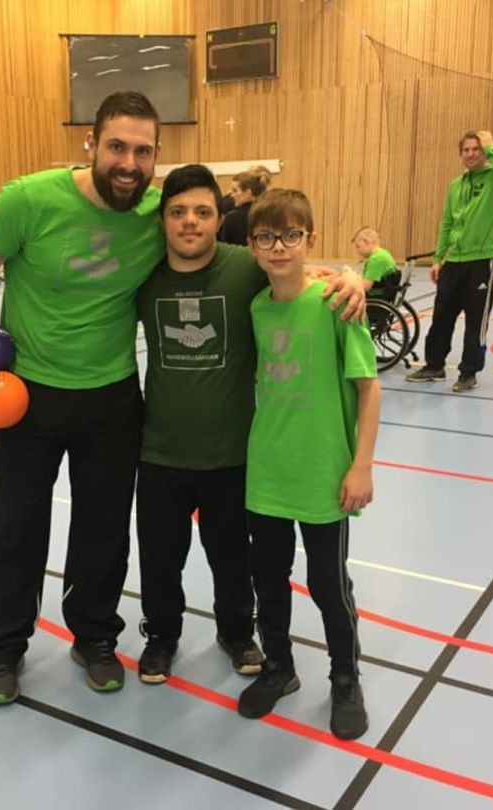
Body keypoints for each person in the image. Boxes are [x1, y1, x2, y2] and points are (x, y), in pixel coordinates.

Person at [0, 91, 166, 705]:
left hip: (112, 400)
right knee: (16, 526)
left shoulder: (158, 211)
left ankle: (94, 637)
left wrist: (347, 273)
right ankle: (2, 651)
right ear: (91, 144)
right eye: (117, 146)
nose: (129, 162)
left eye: (142, 151)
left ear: (156, 157)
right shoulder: (29, 199)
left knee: (103, 530)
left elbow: (249, 241)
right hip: (25, 399)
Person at [135, 166, 367, 685]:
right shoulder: (144, 273)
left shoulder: (245, 268)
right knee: (159, 559)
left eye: (202, 212)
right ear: (164, 222)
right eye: (177, 212)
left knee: (235, 562)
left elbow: (297, 266)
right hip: (160, 451)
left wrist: (353, 275)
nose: (190, 222)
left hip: (234, 453)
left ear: (221, 220)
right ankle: (161, 639)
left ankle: (239, 633)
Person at [236, 188, 381, 742]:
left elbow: (369, 390)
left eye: (291, 235)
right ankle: (279, 668)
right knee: (268, 582)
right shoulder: (255, 308)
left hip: (324, 475)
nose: (279, 247)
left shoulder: (336, 304)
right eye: (267, 237)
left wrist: (361, 465)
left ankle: (345, 679)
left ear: (309, 240)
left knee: (328, 585)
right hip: (267, 472)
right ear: (252, 245)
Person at [406, 130, 493, 392]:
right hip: (452, 262)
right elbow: (446, 222)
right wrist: (437, 259)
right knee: (442, 315)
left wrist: (492, 149)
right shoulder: (456, 185)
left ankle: (469, 372)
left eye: (475, 149)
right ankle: (435, 365)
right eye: (466, 150)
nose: (470, 154)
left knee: (476, 320)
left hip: (480, 261)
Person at [217, 166, 272, 246]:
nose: (231, 195)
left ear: (248, 192)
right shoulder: (272, 213)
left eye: (235, 191)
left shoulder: (232, 219)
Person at [351, 226, 399, 300]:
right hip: (382, 294)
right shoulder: (382, 253)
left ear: (366, 242)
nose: (358, 251)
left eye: (358, 247)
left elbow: (365, 287)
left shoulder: (376, 259)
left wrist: (350, 280)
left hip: (376, 298)